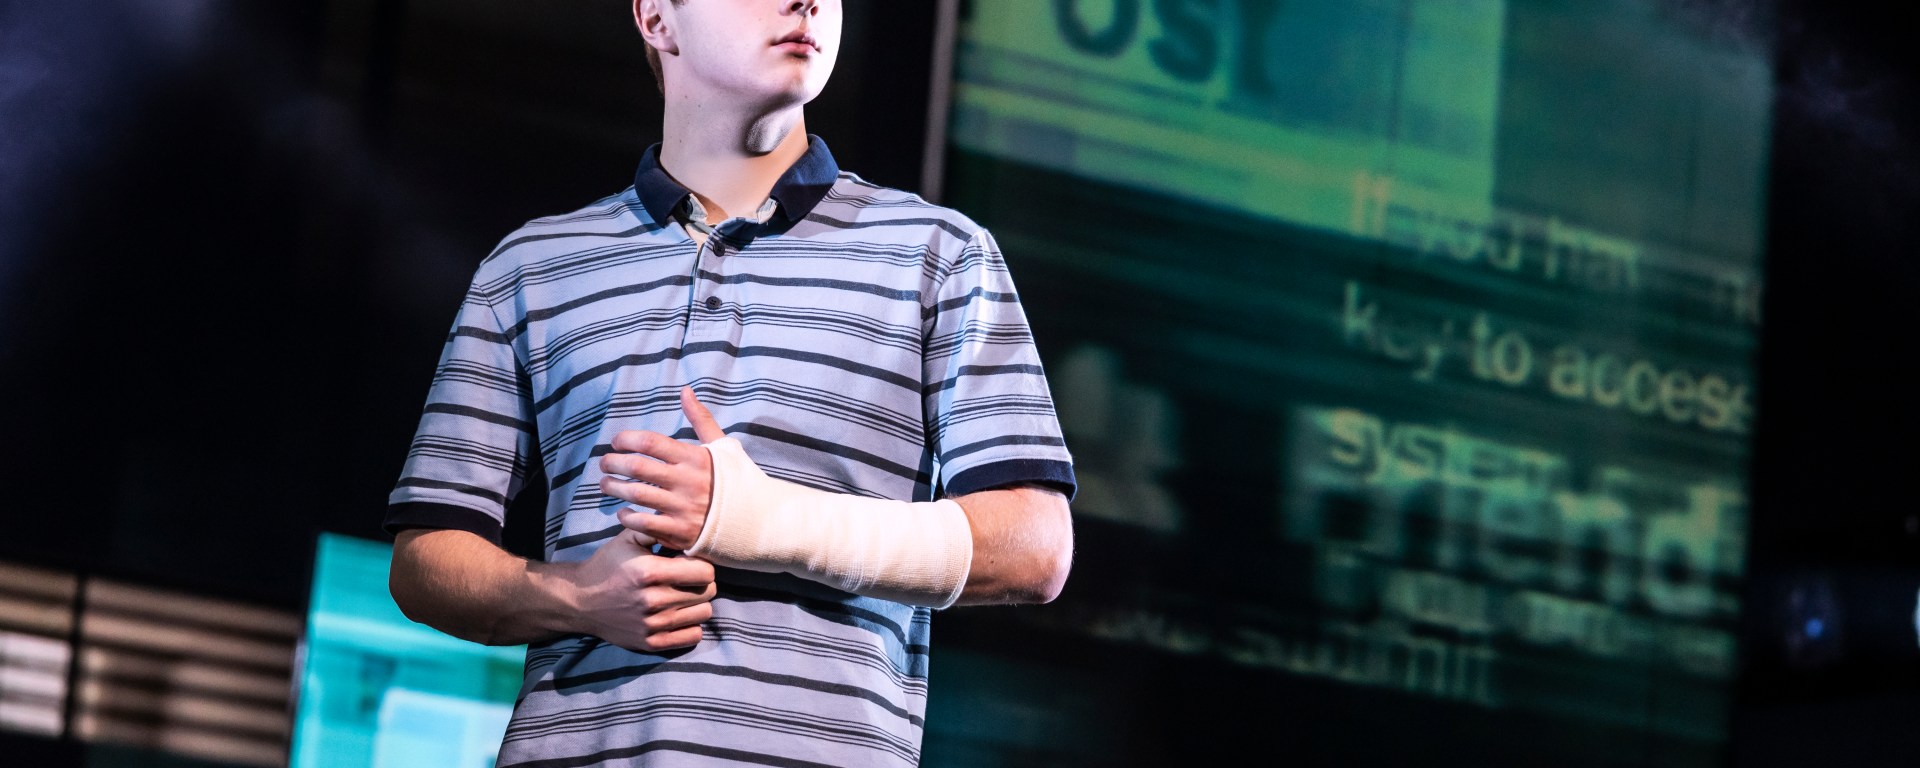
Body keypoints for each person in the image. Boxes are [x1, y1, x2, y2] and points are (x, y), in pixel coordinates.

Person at [382, 1, 1077, 765]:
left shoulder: (939, 255)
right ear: (657, 18)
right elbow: (424, 562)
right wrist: (579, 597)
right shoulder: (531, 267)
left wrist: (764, 522)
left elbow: (1035, 547)